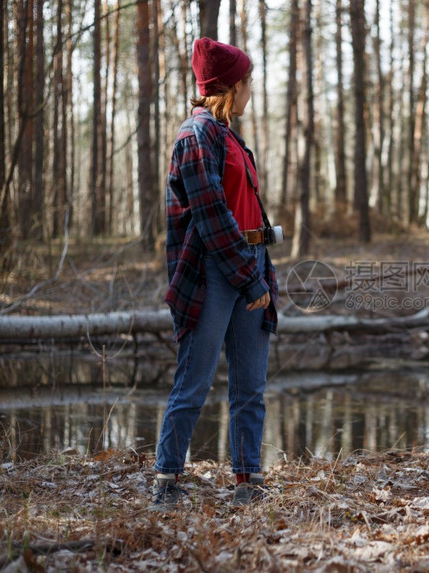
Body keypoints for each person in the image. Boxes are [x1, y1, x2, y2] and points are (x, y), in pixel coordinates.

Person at [152, 37, 277, 511]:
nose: (251, 92)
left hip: (249, 265)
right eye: (248, 83)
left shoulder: (227, 136)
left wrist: (260, 264)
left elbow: (243, 209)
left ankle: (248, 478)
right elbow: (210, 217)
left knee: (251, 385)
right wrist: (249, 277)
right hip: (213, 273)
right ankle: (167, 481)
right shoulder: (195, 137)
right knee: (194, 381)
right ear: (231, 86)